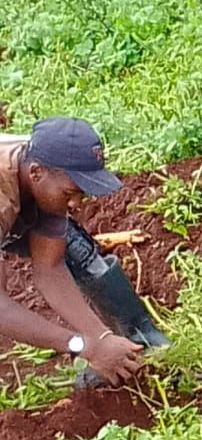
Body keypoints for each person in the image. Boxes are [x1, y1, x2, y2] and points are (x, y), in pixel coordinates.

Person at [1, 118, 160, 387]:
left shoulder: (43, 164)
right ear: (36, 173)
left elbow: (50, 268)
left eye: (81, 193)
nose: (76, 203)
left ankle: (138, 339)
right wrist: (83, 346)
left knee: (74, 246)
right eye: (69, 193)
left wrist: (100, 339)